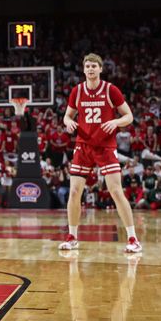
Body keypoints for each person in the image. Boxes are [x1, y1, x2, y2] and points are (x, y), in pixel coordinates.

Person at [58, 54, 141, 253]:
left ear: (100, 69)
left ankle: (133, 238)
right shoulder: (77, 91)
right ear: (83, 69)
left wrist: (115, 122)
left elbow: (129, 116)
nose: (90, 69)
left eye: (94, 66)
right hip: (83, 145)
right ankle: (72, 236)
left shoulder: (110, 90)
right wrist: (68, 122)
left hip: (105, 146)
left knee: (115, 191)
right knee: (75, 191)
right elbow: (67, 116)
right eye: (87, 66)